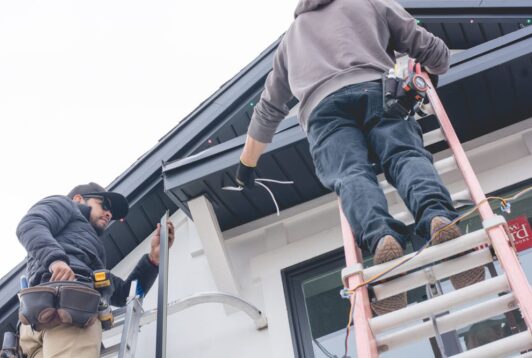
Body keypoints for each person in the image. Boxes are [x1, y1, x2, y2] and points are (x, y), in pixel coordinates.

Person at [235, 0, 484, 315]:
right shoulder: (369, 2)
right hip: (377, 90)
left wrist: (247, 164)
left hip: (322, 111)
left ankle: (381, 238)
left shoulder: (290, 40)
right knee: (404, 156)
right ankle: (438, 216)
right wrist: (430, 73)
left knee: (351, 174)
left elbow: (268, 108)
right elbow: (429, 48)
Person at [16, 182, 175, 357]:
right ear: (78, 199)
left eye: (111, 213)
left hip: (38, 319)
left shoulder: (89, 252)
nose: (109, 213)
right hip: (70, 312)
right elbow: (30, 224)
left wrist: (153, 260)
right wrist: (56, 260)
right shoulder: (65, 204)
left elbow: (124, 295)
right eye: (104, 205)